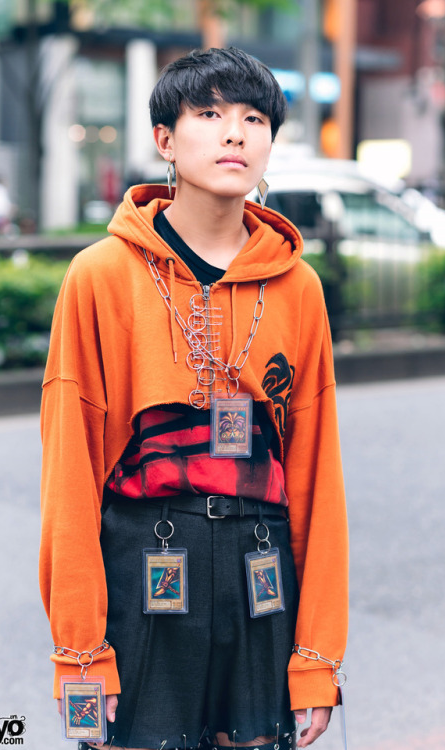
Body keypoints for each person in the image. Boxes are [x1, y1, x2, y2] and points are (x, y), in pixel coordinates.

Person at [39, 47, 348, 750]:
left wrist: (316, 664)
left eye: (253, 117)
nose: (235, 133)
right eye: (208, 114)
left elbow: (316, 478)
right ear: (165, 142)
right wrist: (80, 662)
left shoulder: (299, 289)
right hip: (141, 575)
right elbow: (70, 481)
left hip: (261, 582)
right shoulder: (100, 277)